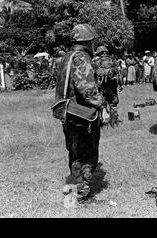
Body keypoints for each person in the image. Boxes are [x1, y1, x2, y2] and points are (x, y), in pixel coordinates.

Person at [54, 23, 105, 203]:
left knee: (74, 151)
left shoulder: (67, 57)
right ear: (87, 41)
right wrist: (101, 104)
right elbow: (86, 89)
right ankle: (82, 191)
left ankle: (77, 188)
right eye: (92, 41)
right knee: (87, 153)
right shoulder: (82, 57)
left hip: (67, 112)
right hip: (81, 114)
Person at [93, 46, 122, 127]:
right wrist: (120, 84)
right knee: (113, 104)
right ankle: (114, 121)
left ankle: (105, 122)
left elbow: (94, 74)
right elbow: (118, 72)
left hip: (102, 86)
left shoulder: (96, 61)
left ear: (98, 52)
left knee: (103, 103)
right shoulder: (113, 60)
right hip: (112, 86)